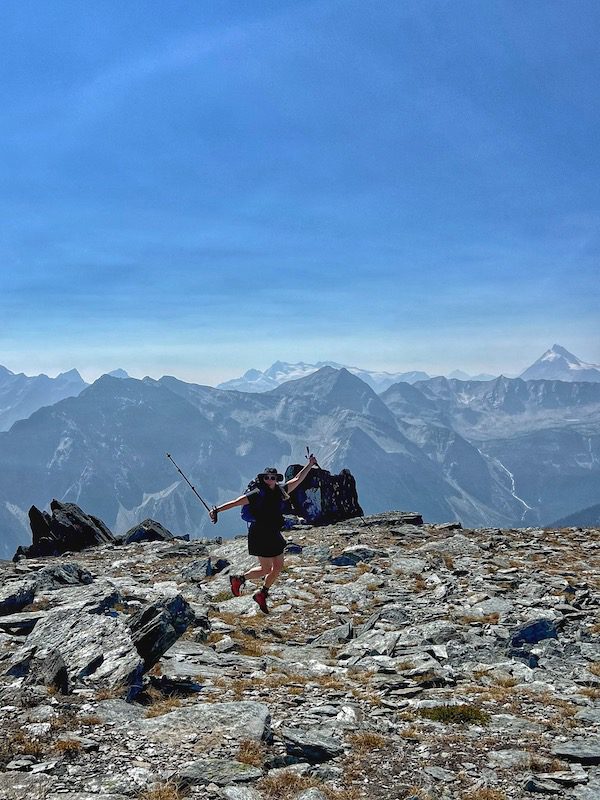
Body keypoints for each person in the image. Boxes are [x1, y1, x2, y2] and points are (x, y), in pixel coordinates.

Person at [209, 455, 318, 613]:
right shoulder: (257, 493)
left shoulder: (281, 491)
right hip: (260, 533)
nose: (270, 479)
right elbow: (236, 502)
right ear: (263, 478)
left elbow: (298, 478)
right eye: (267, 477)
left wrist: (310, 465)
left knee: (278, 567)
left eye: (273, 477)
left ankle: (262, 593)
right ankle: (239, 579)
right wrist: (217, 510)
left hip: (273, 532)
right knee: (266, 569)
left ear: (276, 478)